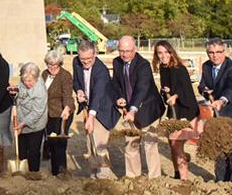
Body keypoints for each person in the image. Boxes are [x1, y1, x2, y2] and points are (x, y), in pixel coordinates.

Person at [198, 38, 232, 182]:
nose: (214, 56)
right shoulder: (206, 66)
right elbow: (202, 85)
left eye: (218, 52)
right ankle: (220, 182)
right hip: (218, 116)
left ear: (225, 51)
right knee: (220, 149)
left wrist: (222, 100)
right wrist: (205, 91)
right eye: (211, 52)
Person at [112, 35, 165, 178]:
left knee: (150, 145)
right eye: (121, 51)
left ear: (135, 49)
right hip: (129, 110)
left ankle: (155, 178)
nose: (124, 54)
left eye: (128, 51)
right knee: (131, 144)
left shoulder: (143, 65)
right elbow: (116, 83)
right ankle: (133, 177)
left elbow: (142, 88)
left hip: (148, 109)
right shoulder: (117, 62)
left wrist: (133, 109)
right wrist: (120, 98)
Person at [153, 40, 201, 180]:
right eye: (159, 53)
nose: (163, 56)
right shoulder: (163, 68)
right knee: (172, 144)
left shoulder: (179, 68)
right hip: (173, 111)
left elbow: (186, 90)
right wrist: (165, 91)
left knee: (176, 144)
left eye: (166, 52)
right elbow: (167, 87)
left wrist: (175, 95)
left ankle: (184, 179)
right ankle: (177, 172)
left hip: (186, 111)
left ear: (171, 52)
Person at [72, 40, 118, 179]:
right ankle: (94, 175)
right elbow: (76, 81)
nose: (85, 62)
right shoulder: (76, 61)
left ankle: (103, 176)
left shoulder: (101, 70)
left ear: (95, 54)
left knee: (100, 143)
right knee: (89, 140)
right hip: (88, 105)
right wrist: (79, 91)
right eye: (82, 59)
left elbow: (98, 94)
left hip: (103, 108)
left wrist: (91, 117)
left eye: (89, 59)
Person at [41, 50, 73, 176]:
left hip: (62, 113)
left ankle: (60, 170)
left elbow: (67, 95)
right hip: (48, 113)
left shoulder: (65, 76)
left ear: (60, 64)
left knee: (59, 143)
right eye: (50, 65)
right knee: (51, 140)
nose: (53, 68)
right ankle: (54, 169)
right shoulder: (44, 74)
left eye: (55, 65)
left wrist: (67, 108)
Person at [13, 62, 48, 176]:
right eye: (25, 81)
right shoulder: (23, 81)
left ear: (36, 78)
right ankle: (22, 172)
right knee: (21, 148)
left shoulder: (40, 91)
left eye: (30, 81)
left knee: (33, 150)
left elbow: (37, 112)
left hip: (36, 123)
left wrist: (23, 123)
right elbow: (20, 97)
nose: (28, 84)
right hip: (21, 120)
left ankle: (34, 172)